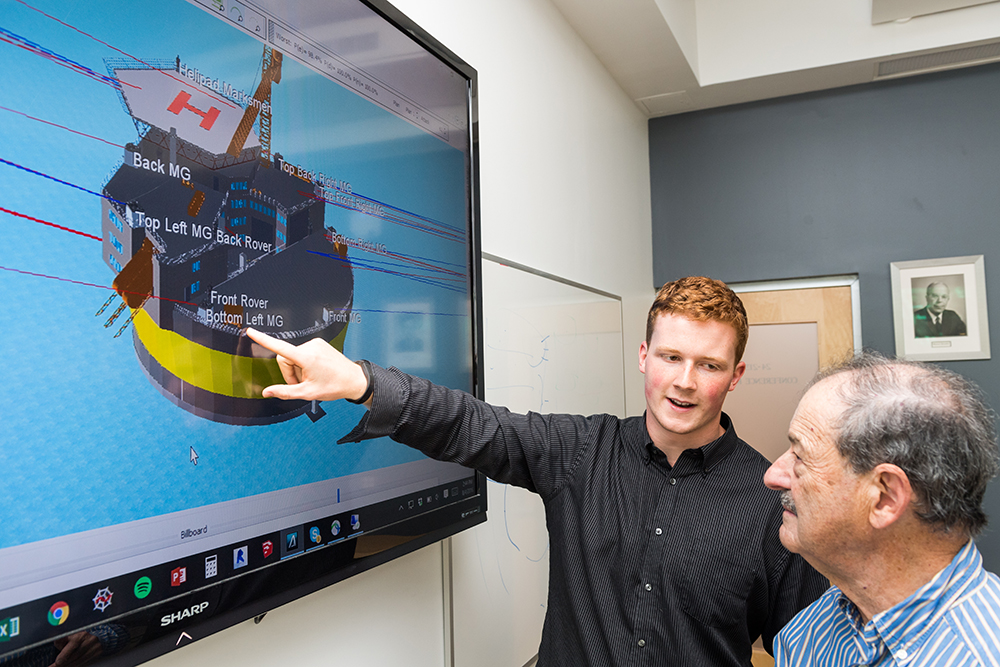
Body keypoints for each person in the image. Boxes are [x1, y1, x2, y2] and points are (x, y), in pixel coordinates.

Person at [246, 276, 827, 666]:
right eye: (672, 357)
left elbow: (812, 649)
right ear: (644, 356)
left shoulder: (772, 499)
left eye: (709, 365)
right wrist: (362, 383)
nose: (684, 381)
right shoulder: (581, 451)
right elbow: (468, 424)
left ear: (736, 375)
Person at [764, 352, 1000, 666]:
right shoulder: (808, 635)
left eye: (800, 456)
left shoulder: (981, 655)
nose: (772, 475)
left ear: (885, 497)